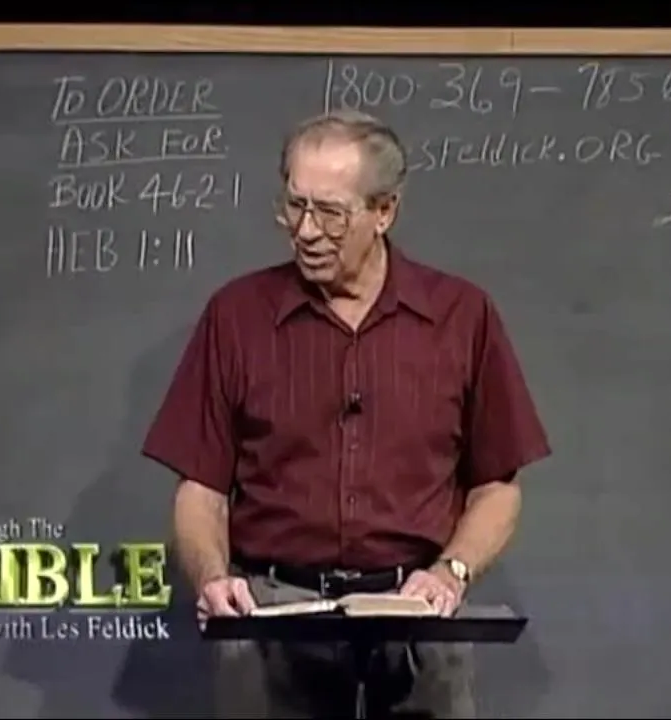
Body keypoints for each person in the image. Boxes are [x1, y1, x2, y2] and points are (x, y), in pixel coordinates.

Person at [141, 109, 551, 718]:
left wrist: (451, 573)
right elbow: (201, 489)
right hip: (272, 615)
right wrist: (211, 578)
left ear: (385, 211)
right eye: (294, 206)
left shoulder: (463, 317)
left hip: (416, 613)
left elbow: (498, 488)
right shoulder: (237, 316)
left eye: (330, 213)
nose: (306, 231)